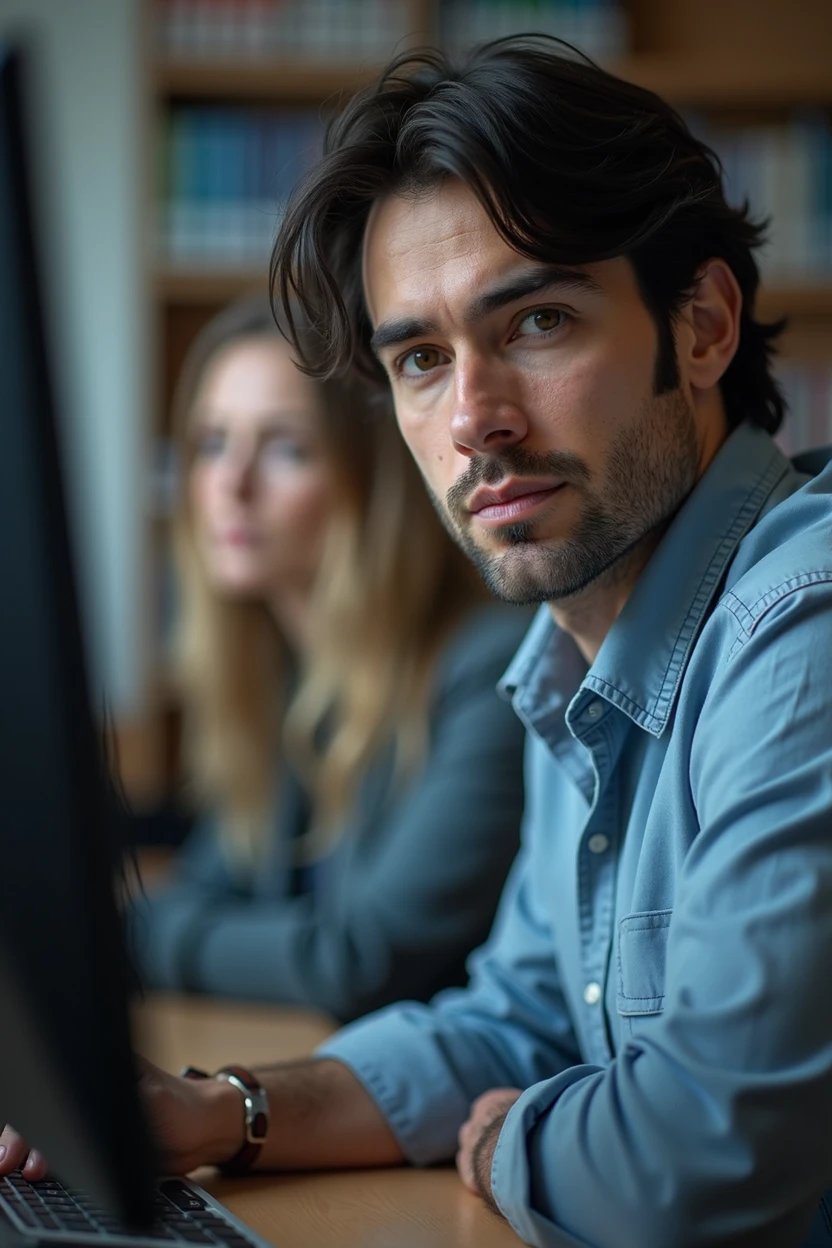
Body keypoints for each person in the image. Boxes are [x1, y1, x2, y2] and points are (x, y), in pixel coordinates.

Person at [5, 34, 832, 1248]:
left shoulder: (799, 621)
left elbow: (702, 1158)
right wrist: (221, 1113)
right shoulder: (576, 658)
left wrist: (501, 1139)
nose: (473, 421)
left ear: (702, 326)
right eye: (421, 359)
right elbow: (513, 1021)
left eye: (538, 321)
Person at [128, 296, 530, 1020]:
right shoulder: (291, 678)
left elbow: (361, 960)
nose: (232, 485)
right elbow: (209, 886)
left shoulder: (489, 669)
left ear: (373, 483)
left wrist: (126, 932)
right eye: (212, 444)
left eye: (286, 448)